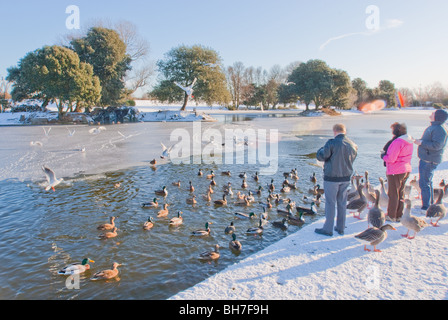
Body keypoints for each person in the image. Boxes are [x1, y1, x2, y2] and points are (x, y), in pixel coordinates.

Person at [314, 124, 358, 236]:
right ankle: (340, 227)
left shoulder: (331, 143)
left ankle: (328, 229)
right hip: (346, 178)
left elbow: (322, 156)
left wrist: (319, 150)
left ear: (334, 131)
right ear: (344, 131)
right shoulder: (353, 144)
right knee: (342, 203)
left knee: (330, 202)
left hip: (332, 178)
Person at [414, 109, 448, 211]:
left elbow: (437, 145)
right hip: (428, 158)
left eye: (433, 113)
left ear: (437, 117)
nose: (431, 114)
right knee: (427, 182)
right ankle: (429, 203)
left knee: (424, 183)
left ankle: (426, 207)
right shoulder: (436, 127)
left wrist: (421, 143)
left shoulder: (439, 129)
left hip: (429, 159)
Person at [381, 123, 414, 221]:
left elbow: (391, 159)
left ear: (398, 130)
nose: (392, 132)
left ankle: (391, 216)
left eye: (393, 129)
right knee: (401, 192)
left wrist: (383, 156)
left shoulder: (398, 142)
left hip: (396, 170)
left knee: (393, 193)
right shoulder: (409, 140)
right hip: (406, 168)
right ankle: (399, 215)